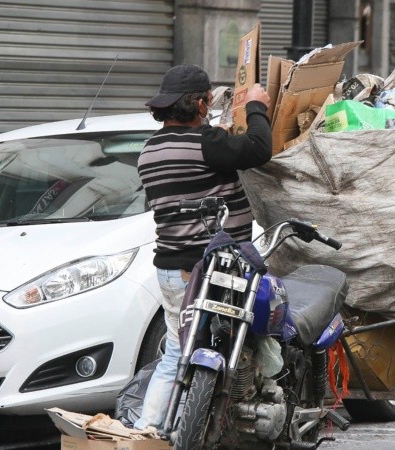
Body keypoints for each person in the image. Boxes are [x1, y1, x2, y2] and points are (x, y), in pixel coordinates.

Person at [134, 64, 272, 432]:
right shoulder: (207, 144)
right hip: (211, 270)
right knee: (242, 341)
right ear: (198, 103)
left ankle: (150, 431)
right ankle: (216, 424)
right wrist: (257, 106)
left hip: (169, 269)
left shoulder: (149, 150)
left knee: (176, 353)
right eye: (208, 100)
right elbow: (260, 149)